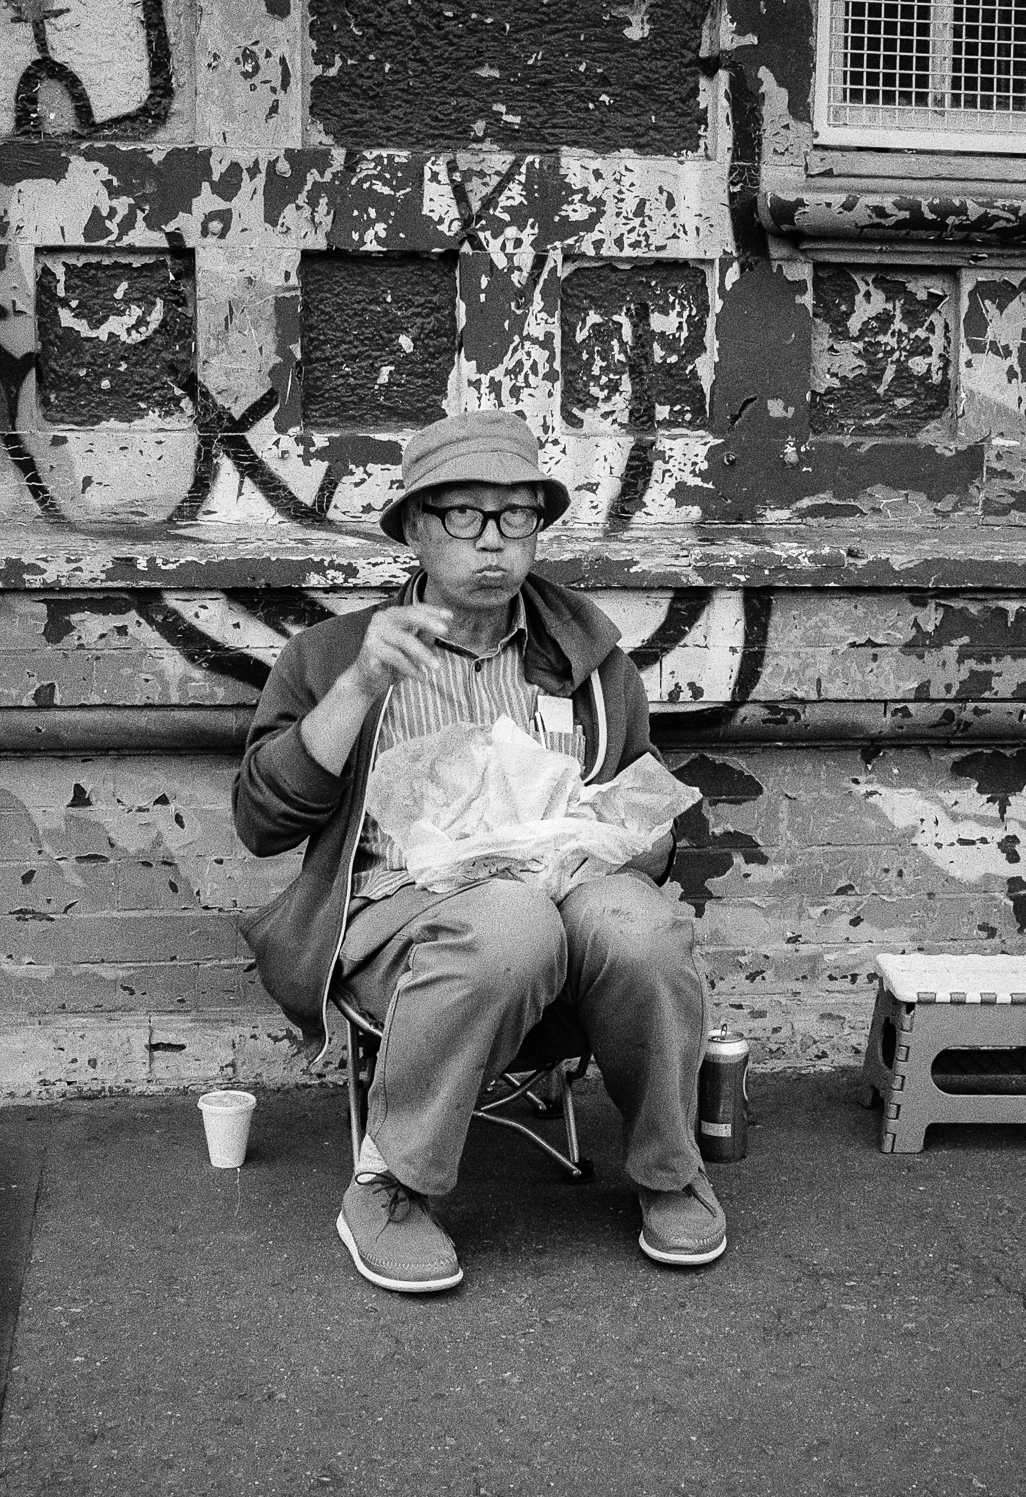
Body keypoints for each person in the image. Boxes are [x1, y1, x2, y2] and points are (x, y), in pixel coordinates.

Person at [233, 409, 726, 1294]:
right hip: (402, 918)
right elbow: (262, 820)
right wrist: (358, 689)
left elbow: (645, 813)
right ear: (417, 528)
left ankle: (670, 1167)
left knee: (642, 927)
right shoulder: (335, 654)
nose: (493, 543)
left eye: (517, 516)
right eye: (464, 515)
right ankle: (389, 1188)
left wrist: (620, 839)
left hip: (564, 891)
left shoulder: (586, 655)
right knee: (507, 921)